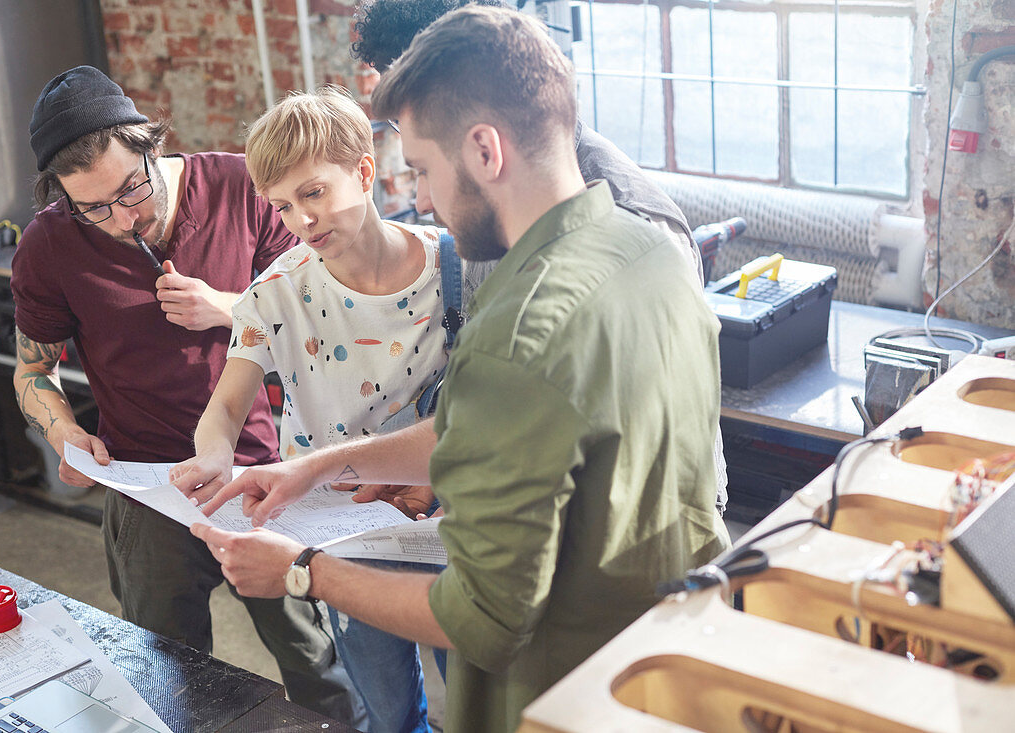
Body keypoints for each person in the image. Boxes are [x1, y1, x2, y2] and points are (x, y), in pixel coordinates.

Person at [190, 7, 731, 732]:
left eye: (421, 168)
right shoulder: (651, 249)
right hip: (668, 652)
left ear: (483, 150)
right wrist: (321, 468)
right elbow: (493, 429)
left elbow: (482, 618)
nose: (419, 196)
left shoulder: (516, 329)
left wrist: (299, 569)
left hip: (562, 691)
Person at [10, 65, 360, 725]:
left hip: (259, 472)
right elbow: (32, 372)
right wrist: (63, 433)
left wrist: (228, 307)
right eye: (94, 208)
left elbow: (324, 318)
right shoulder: (49, 245)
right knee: (164, 668)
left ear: (151, 145)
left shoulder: (239, 187)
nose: (123, 217)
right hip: (146, 485)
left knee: (316, 662)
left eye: (131, 189)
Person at [353, 0, 729, 514]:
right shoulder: (490, 210)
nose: (421, 200)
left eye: (413, 122)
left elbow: (636, 452)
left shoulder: (636, 225)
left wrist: (306, 570)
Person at [168, 86, 447, 733]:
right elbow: (228, 403)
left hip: (452, 523)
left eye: (314, 193)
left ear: (365, 170)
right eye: (283, 206)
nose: (301, 220)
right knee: (388, 710)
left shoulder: (453, 270)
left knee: (485, 689)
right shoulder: (276, 293)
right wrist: (212, 451)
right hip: (342, 536)